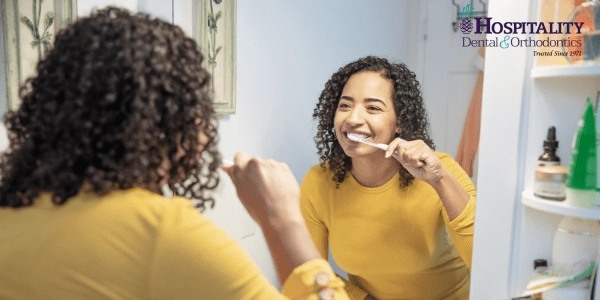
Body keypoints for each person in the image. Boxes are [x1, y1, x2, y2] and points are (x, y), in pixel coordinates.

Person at [0, 7, 348, 299]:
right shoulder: (160, 233)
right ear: (151, 121)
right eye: (191, 107)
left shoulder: (12, 209)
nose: (206, 128)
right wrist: (282, 219)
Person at [301, 56, 476, 300]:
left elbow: (483, 259)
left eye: (372, 108)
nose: (353, 119)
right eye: (345, 105)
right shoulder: (319, 183)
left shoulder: (441, 170)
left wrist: (439, 180)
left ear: (400, 122)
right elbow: (312, 273)